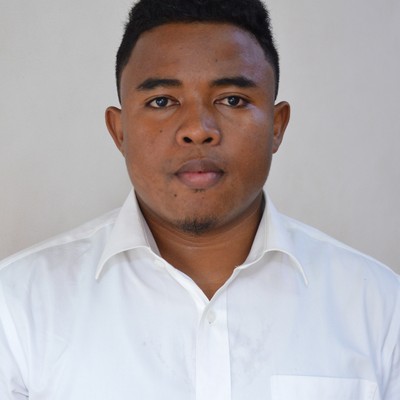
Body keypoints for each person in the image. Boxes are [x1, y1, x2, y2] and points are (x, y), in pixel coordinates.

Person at [0, 0, 398, 398]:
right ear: (119, 131)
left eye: (232, 99)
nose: (198, 129)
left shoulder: (380, 308)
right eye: (162, 101)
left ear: (277, 127)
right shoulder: (17, 305)